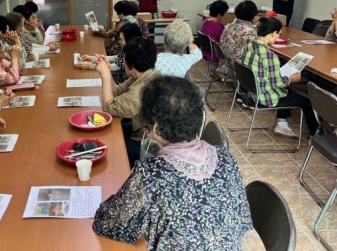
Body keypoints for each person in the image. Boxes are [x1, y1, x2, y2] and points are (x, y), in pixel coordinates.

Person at [93, 77, 252, 249]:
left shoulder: (151, 174)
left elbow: (108, 224)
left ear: (153, 127)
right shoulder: (226, 159)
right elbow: (241, 220)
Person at [240, 17, 319, 137]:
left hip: (251, 92)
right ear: (273, 33)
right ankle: (317, 135)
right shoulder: (269, 56)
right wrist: (291, 79)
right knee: (307, 101)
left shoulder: (248, 46)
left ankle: (281, 124)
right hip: (264, 98)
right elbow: (278, 83)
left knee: (288, 90)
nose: (279, 37)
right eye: (279, 34)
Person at [95, 37, 159, 166]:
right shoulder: (144, 74)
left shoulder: (141, 90)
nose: (123, 63)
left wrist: (105, 76)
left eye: (124, 59)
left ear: (132, 65)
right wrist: (107, 69)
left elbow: (109, 107)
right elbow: (117, 91)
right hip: (138, 130)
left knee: (108, 150)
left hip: (145, 143)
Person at [76, 23, 142, 75]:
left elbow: (114, 67)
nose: (119, 42)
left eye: (121, 40)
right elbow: (116, 58)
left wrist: (89, 66)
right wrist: (92, 58)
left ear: (130, 40)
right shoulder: (130, 47)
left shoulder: (134, 53)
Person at [218, 0, 258, 74]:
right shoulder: (250, 32)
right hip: (238, 70)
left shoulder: (228, 26)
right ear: (253, 15)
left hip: (224, 65)